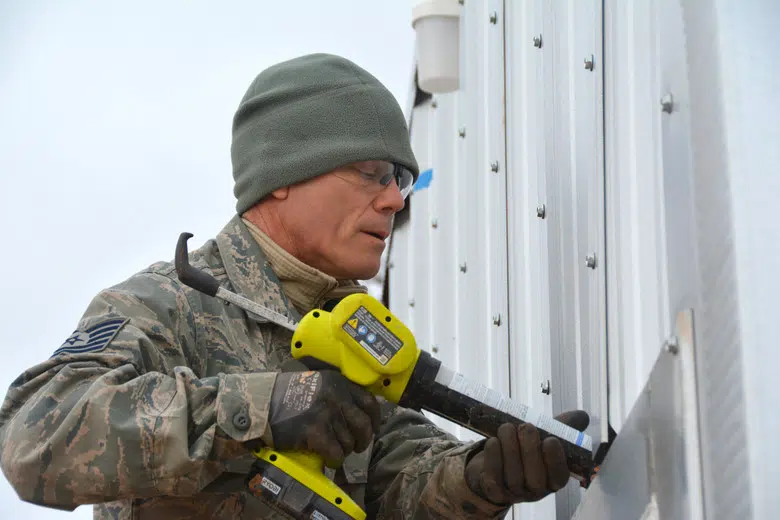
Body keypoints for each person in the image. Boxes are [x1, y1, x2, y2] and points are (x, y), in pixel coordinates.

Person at [0, 53, 589, 519]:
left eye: (401, 180)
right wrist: (266, 408)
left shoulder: (355, 335)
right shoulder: (168, 305)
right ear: (283, 176)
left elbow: (405, 487)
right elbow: (35, 438)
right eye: (372, 173)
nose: (393, 199)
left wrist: (484, 479)